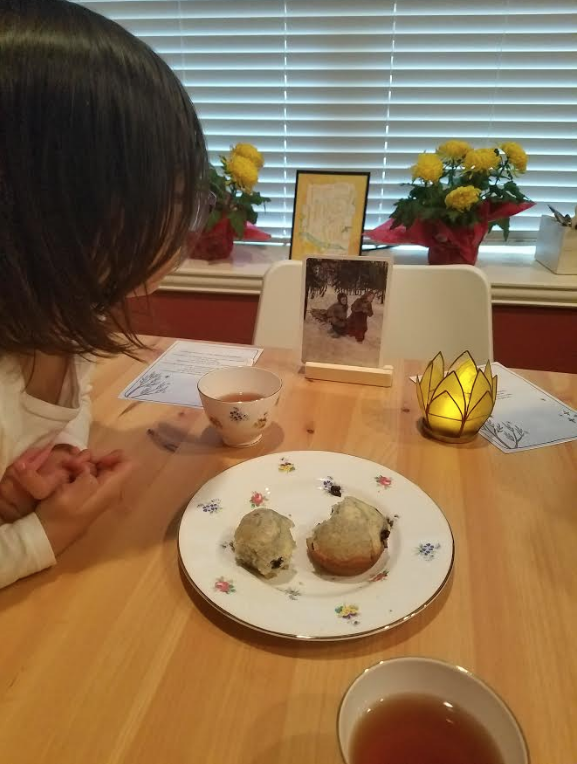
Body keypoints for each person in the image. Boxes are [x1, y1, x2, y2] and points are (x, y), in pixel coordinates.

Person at [0, 0, 208, 588]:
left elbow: (73, 403)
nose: (181, 229)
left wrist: (56, 456)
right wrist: (46, 533)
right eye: (162, 205)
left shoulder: (67, 322)